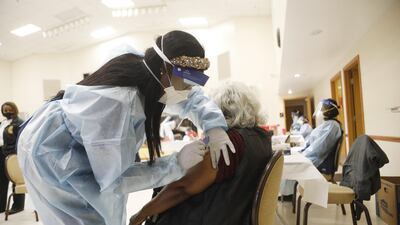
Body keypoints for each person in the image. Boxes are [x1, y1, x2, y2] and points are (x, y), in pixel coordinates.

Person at [17, 30, 235, 225]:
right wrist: (175, 164)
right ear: (164, 71)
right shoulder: (116, 105)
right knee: (86, 215)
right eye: (186, 84)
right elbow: (113, 182)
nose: (188, 92)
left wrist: (213, 125)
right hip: (50, 156)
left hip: (68, 138)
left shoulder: (145, 66)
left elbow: (190, 96)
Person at [129, 81, 273, 225]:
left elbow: (183, 187)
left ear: (219, 111)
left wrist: (141, 213)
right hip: (237, 215)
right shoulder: (262, 138)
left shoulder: (227, 143)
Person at [302, 98, 342, 170]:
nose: (321, 111)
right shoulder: (328, 124)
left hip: (320, 161)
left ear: (330, 110)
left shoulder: (332, 126)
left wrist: (303, 154)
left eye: (322, 109)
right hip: (315, 156)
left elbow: (319, 148)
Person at [0, 102, 25, 214]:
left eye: (9, 109)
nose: (7, 112)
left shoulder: (19, 123)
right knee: (1, 180)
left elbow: (22, 139)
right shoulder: (2, 123)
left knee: (16, 179)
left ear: (15, 109)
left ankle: (18, 206)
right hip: (1, 152)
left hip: (13, 154)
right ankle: (1, 206)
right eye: (5, 110)